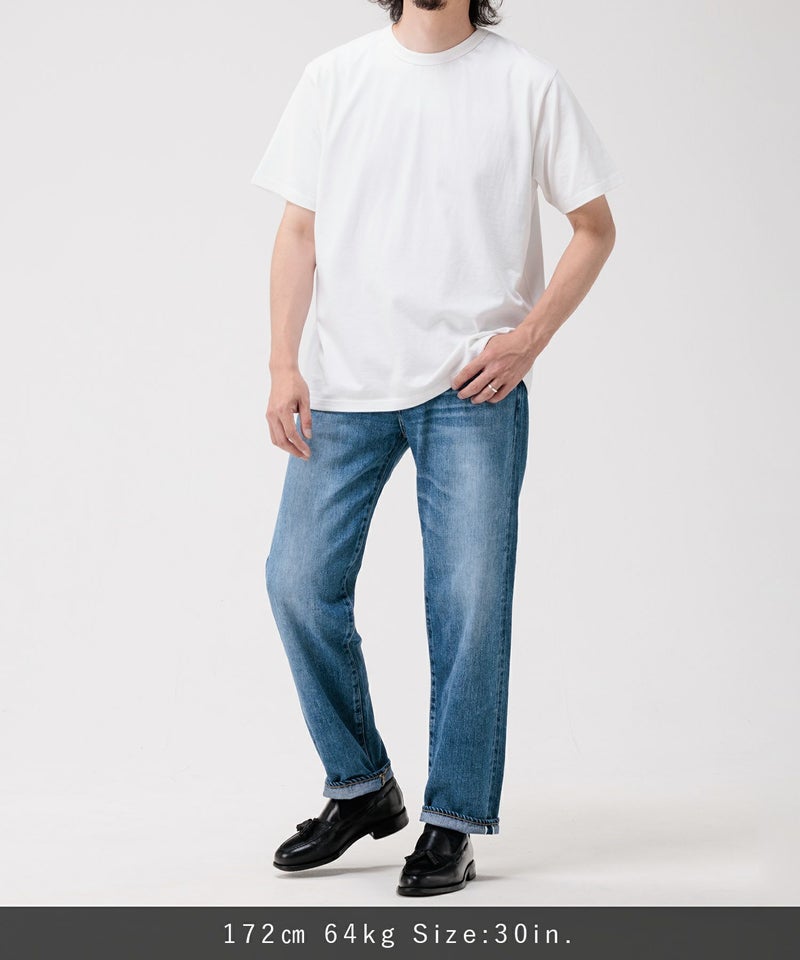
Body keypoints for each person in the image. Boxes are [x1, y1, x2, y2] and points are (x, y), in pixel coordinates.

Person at [251, 0, 622, 897]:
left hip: (470, 389)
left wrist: (529, 339)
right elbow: (298, 230)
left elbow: (595, 226)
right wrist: (282, 363)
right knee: (296, 581)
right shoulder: (334, 78)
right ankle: (361, 787)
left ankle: (453, 820)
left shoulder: (526, 82)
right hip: (346, 387)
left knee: (469, 602)